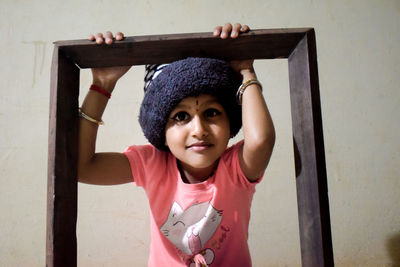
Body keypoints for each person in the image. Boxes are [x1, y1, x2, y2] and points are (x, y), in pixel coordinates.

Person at [78, 23, 275, 267]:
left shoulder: (236, 168)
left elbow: (261, 141)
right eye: (181, 117)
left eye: (212, 112)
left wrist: (245, 71)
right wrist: (102, 85)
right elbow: (81, 167)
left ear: (229, 119)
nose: (199, 130)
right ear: (161, 129)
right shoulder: (152, 164)